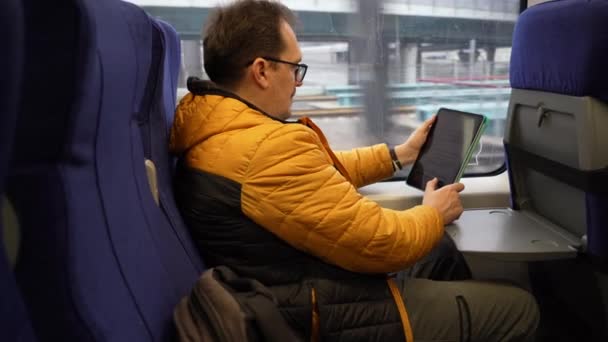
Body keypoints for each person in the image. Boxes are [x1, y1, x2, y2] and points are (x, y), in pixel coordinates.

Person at [170, 0, 539, 341]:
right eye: (295, 68)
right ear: (262, 71)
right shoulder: (264, 149)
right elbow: (383, 243)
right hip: (331, 313)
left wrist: (400, 154)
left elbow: (312, 178)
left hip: (301, 289)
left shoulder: (218, 131)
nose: (298, 84)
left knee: (438, 249)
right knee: (520, 308)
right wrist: (432, 213)